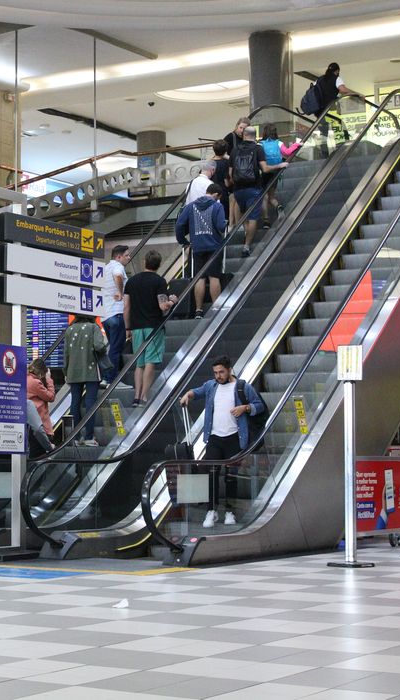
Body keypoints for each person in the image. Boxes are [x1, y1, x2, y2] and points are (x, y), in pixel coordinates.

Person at [178, 355, 267, 528]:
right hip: (214, 438)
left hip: (235, 438)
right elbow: (196, 392)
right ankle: (211, 511)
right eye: (215, 372)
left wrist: (245, 408)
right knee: (211, 474)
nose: (218, 376)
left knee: (230, 476)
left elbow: (260, 406)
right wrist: (187, 395)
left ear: (229, 370)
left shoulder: (243, 387)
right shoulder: (211, 386)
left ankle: (230, 512)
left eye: (221, 372)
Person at [123, 251, 176, 408]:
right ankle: (144, 397)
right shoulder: (159, 281)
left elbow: (126, 307)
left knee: (139, 363)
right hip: (154, 326)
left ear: (144, 261)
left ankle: (136, 396)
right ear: (159, 265)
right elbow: (163, 306)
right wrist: (172, 300)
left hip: (136, 327)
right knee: (150, 361)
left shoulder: (131, 282)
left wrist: (128, 327)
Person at [231, 123, 289, 256]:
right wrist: (279, 165)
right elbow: (265, 169)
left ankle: (243, 231)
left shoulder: (234, 150)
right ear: (254, 136)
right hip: (253, 187)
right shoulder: (258, 149)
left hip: (238, 189)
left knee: (244, 213)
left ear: (244, 135)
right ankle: (246, 246)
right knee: (253, 218)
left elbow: (230, 173)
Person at [175, 183, 228, 318]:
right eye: (218, 198)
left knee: (200, 278)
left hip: (197, 247)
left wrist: (183, 241)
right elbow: (221, 227)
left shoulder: (190, 206)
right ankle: (216, 309)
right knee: (214, 277)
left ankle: (198, 310)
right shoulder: (217, 206)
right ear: (216, 195)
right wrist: (225, 223)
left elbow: (179, 224)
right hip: (214, 247)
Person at [63, 315, 107, 447]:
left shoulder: (69, 330)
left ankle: (75, 437)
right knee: (90, 402)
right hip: (91, 370)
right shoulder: (94, 327)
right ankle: (88, 436)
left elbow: (66, 353)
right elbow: (100, 346)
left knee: (74, 403)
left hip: (73, 371)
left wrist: (66, 371)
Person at [100, 245, 131, 389]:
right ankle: (111, 380)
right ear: (118, 257)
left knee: (112, 348)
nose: (129, 258)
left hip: (105, 316)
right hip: (116, 313)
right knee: (116, 349)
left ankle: (106, 379)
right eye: (127, 255)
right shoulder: (117, 266)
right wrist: (120, 291)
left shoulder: (104, 269)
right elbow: (118, 276)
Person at [26, 358, 56, 439]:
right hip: (40, 423)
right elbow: (51, 397)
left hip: (29, 422)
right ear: (42, 373)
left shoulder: (24, 379)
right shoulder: (35, 382)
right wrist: (49, 379)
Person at [209, 140, 231, 223]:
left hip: (210, 192)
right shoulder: (225, 163)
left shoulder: (210, 162)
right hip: (222, 193)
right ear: (225, 151)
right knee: (224, 218)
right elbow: (227, 183)